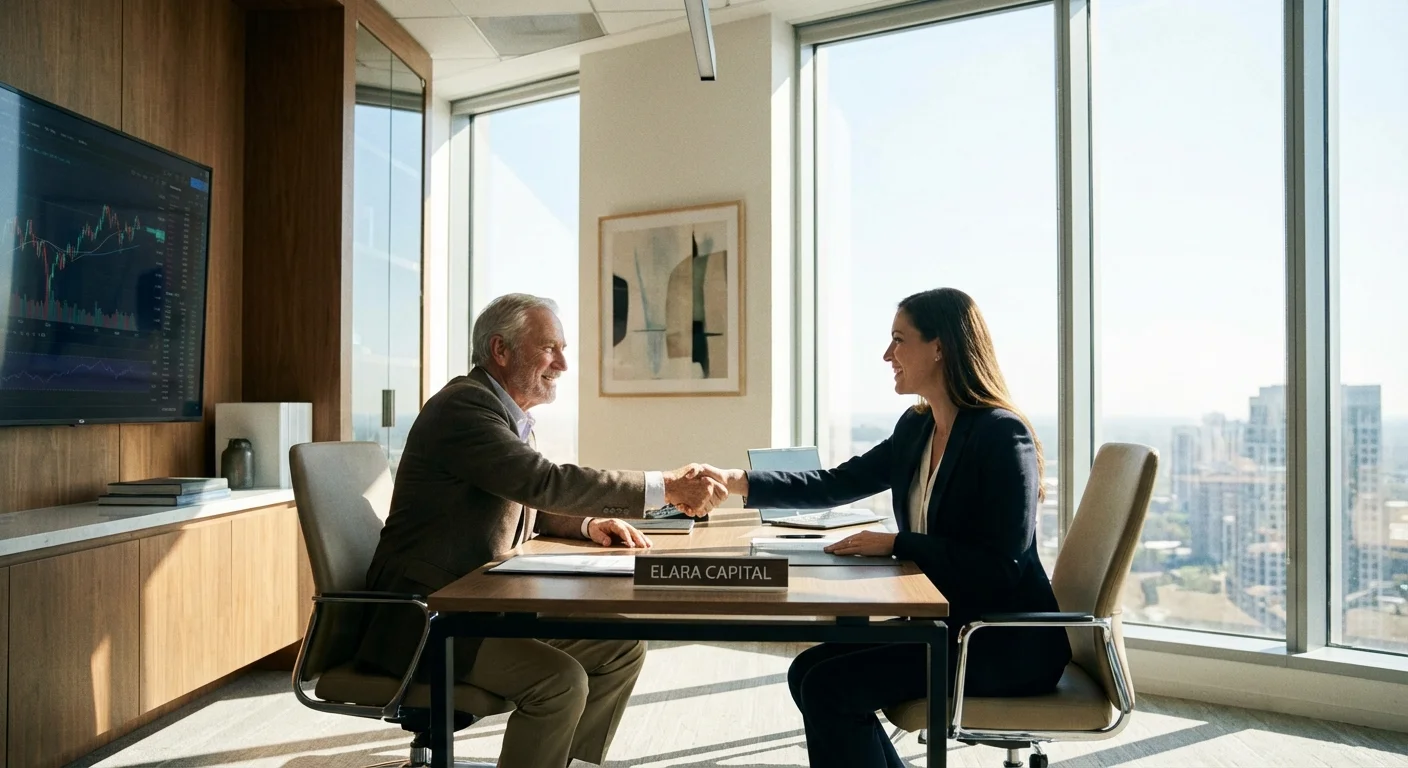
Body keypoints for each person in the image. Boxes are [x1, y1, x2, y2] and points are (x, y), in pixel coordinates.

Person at [702, 287, 1071, 768]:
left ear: (940, 347)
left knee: (830, 687)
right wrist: (733, 481)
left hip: (999, 640)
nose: (886, 354)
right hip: (946, 625)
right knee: (809, 670)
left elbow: (1001, 566)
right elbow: (837, 482)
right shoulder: (916, 427)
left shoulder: (1001, 435)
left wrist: (898, 543)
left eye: (899, 339)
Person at [357, 293, 727, 768]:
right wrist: (666, 487)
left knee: (620, 648)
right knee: (560, 682)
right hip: (428, 621)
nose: (563, 364)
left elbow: (524, 495)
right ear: (501, 349)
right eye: (550, 348)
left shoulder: (506, 415)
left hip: (481, 610)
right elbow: (542, 482)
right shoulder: (464, 408)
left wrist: (590, 524)